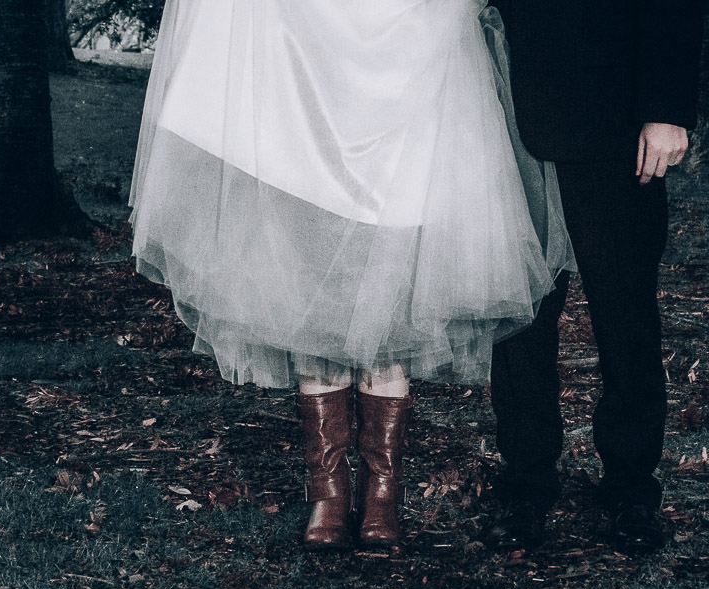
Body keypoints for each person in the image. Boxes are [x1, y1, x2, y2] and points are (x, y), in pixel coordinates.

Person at [128, 1, 575, 551]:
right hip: (311, 80)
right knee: (317, 288)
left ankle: (382, 491)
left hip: (409, 73)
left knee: (391, 286)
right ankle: (329, 494)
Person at [482, 0, 703, 555]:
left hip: (615, 116)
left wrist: (666, 107)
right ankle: (526, 481)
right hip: (501, 108)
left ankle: (631, 486)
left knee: (624, 308)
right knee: (520, 314)